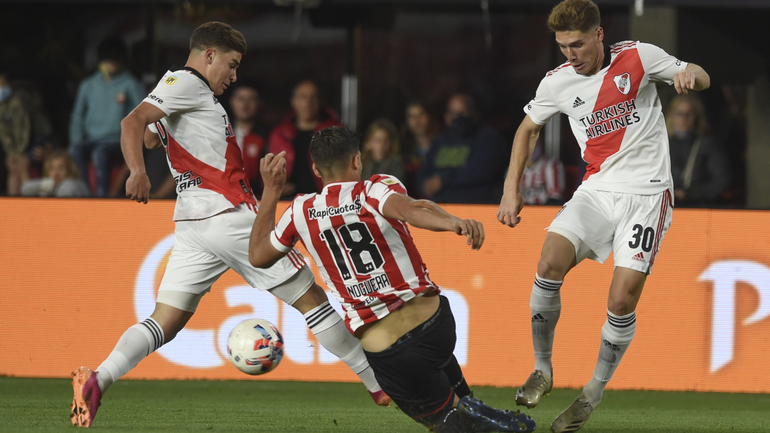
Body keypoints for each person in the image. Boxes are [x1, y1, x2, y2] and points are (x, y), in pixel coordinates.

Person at [70, 21, 388, 429]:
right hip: (227, 216)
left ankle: (99, 379)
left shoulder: (177, 90)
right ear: (209, 55)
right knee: (311, 299)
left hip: (192, 224)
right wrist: (137, 173)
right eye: (231, 65)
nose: (234, 76)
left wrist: (161, 127)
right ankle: (377, 381)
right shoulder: (186, 82)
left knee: (164, 320)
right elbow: (132, 123)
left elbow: (151, 135)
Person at [496, 1, 710, 431]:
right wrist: (510, 189)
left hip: (648, 196)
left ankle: (592, 393)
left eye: (576, 44)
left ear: (598, 34)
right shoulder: (556, 83)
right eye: (561, 47)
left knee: (620, 299)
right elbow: (528, 128)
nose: (569, 55)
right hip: (596, 191)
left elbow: (701, 75)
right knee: (548, 261)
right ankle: (542, 368)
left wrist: (690, 75)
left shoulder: (639, 56)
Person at [248, 126, 536, 433]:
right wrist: (453, 222)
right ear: (357, 161)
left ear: (316, 169)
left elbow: (257, 255)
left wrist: (271, 191)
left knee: (445, 422)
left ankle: (472, 423)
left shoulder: (300, 211)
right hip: (436, 326)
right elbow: (412, 210)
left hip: (390, 352)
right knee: (437, 368)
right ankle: (475, 408)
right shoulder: (376, 188)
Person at [68, 36, 146, 197]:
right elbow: (77, 116)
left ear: (121, 61)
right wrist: (77, 139)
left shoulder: (130, 84)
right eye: (107, 60)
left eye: (114, 61)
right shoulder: (88, 85)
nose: (110, 65)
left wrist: (134, 143)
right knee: (74, 149)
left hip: (117, 142)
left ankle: (101, 200)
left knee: (100, 152)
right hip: (91, 139)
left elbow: (141, 115)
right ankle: (85, 194)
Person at [417, 93, 508, 204]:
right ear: (446, 116)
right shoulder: (440, 140)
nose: (458, 118)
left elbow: (482, 171)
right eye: (452, 113)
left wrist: (444, 178)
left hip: (477, 206)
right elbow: (422, 175)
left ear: (475, 114)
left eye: (463, 113)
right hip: (440, 207)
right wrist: (425, 185)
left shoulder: (488, 138)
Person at [268, 80, 341, 199]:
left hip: (325, 201)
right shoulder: (279, 135)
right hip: (287, 201)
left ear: (320, 101)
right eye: (303, 97)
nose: (308, 102)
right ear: (293, 101)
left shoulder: (336, 133)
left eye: (313, 97)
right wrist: (275, 187)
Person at [666, 94, 730, 207]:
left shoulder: (707, 144)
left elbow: (721, 182)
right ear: (672, 116)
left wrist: (689, 194)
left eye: (688, 114)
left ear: (697, 117)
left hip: (699, 207)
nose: (683, 119)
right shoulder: (663, 144)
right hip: (667, 207)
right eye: (679, 114)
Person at [230, 83, 270, 195]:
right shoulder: (220, 132)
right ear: (232, 101)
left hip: (257, 197)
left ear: (259, 103)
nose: (245, 105)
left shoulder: (268, 136)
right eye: (240, 99)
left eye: (251, 99)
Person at [0, 72, 31, 196]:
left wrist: (18, 151)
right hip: (11, 148)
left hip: (29, 142)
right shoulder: (2, 105)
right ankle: (11, 208)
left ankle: (29, 206)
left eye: (3, 85)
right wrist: (11, 152)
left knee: (21, 164)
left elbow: (23, 129)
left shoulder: (18, 101)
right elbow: (4, 133)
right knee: (12, 166)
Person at [21, 150, 90, 197]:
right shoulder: (52, 185)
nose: (56, 173)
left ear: (70, 170)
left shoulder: (72, 184)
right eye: (52, 168)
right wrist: (48, 185)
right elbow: (25, 188)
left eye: (61, 168)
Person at [520, 141, 566, 205]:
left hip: (544, 210)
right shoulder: (513, 168)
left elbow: (556, 197)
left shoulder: (552, 165)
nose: (530, 149)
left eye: (534, 145)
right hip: (521, 211)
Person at [361, 118, 406, 182]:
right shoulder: (363, 163)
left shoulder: (395, 164)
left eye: (385, 141)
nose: (381, 145)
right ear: (368, 142)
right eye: (377, 140)